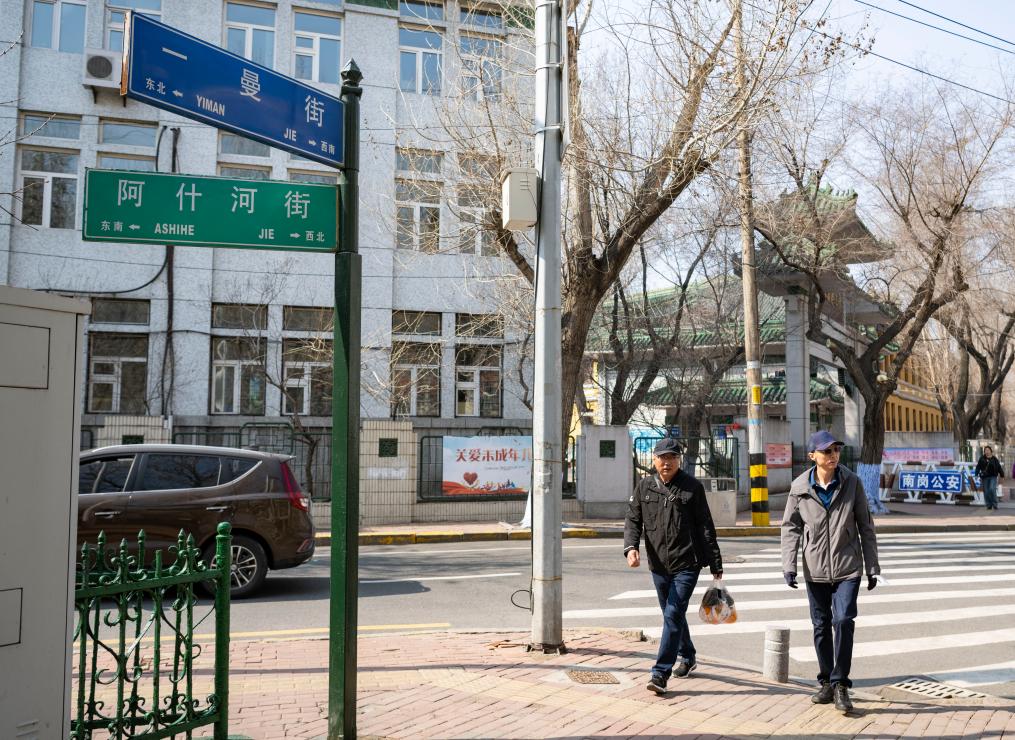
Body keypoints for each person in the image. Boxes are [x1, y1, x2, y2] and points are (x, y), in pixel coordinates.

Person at [781, 430, 880, 714]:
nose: (833, 455)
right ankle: (826, 681)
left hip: (848, 566)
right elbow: (790, 527)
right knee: (821, 625)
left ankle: (840, 684)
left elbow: (866, 526)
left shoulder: (852, 482)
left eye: (836, 450)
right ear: (812, 456)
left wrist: (872, 566)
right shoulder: (800, 487)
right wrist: (789, 564)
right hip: (815, 568)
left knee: (844, 620)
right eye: (827, 451)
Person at [624, 437, 723, 695]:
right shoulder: (644, 486)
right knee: (673, 614)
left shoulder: (692, 488)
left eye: (672, 457)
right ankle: (688, 655)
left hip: (687, 562)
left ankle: (660, 673)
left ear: (679, 460)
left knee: (672, 613)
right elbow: (633, 519)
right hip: (658, 564)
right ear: (654, 460)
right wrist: (631, 547)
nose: (666, 462)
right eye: (662, 457)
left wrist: (715, 562)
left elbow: (705, 526)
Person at [974, 446, 1004, 511]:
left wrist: (1002, 475)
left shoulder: (994, 459)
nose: (987, 451)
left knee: (992, 489)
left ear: (991, 451)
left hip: (993, 476)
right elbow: (978, 467)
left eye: (988, 450)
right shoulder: (982, 458)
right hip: (985, 477)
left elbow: (999, 467)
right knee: (986, 491)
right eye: (985, 450)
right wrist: (976, 474)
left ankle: (995, 504)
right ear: (984, 452)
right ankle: (989, 505)